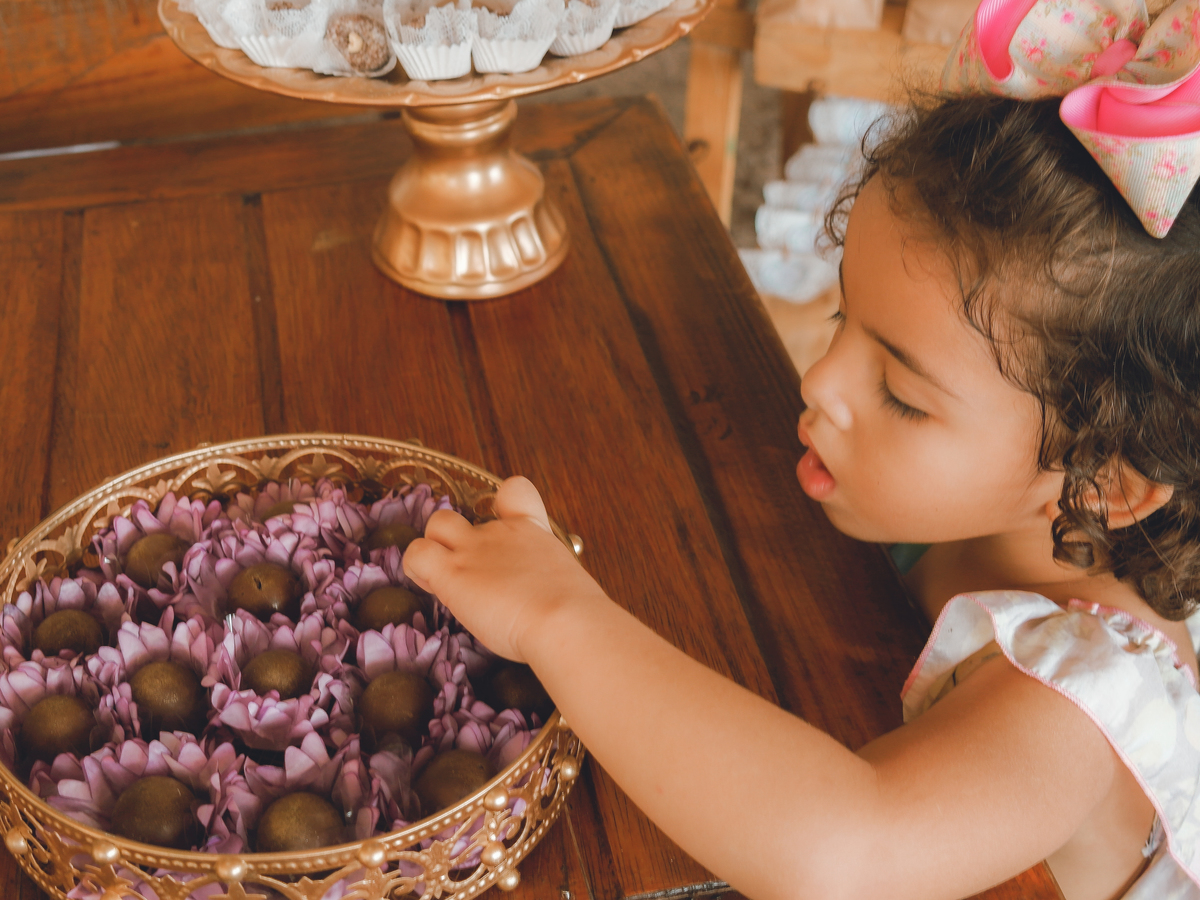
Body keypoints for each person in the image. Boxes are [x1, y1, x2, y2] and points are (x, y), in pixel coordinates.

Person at [403, 2, 1200, 898]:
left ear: (1108, 483)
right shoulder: (988, 513)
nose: (820, 383)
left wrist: (557, 615)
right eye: (839, 318)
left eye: (902, 396)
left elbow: (843, 853)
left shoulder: (1088, 698)